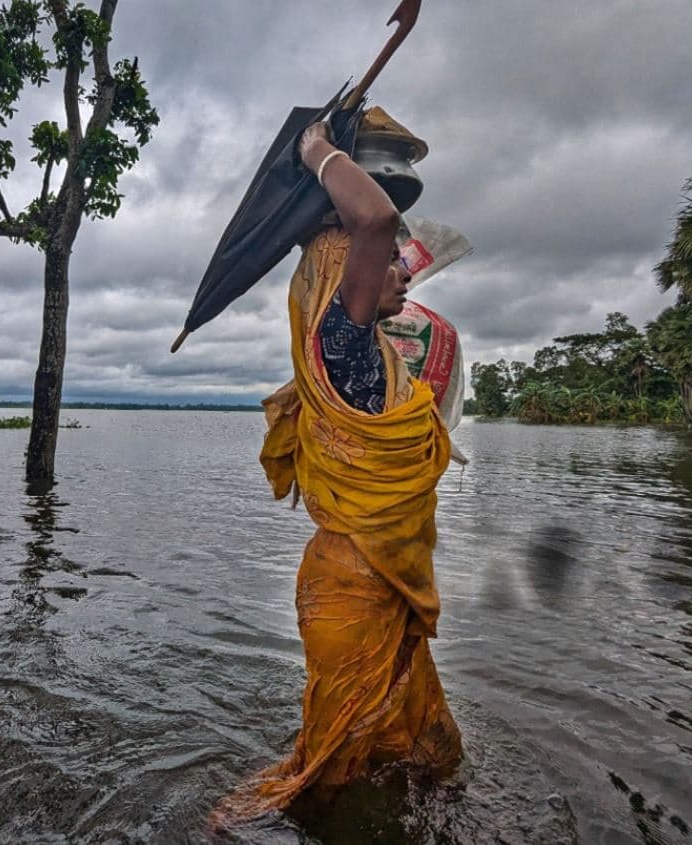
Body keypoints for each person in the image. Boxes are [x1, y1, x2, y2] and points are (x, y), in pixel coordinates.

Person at [227, 107, 462, 817]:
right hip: (350, 590)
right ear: (344, 278)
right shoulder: (342, 342)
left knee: (425, 750)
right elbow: (376, 218)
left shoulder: (376, 359)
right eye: (388, 262)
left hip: (380, 580)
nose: (400, 271)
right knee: (328, 765)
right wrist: (317, 150)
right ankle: (238, 823)